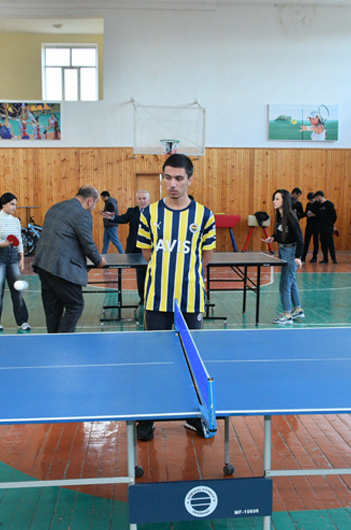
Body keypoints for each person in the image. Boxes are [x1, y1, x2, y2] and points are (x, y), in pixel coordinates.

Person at [135, 153, 216, 441]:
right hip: (156, 300)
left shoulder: (204, 215)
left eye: (179, 178)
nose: (172, 183)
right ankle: (148, 417)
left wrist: (185, 275)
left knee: (191, 361)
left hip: (191, 300)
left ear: (190, 179)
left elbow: (206, 256)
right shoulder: (149, 213)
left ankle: (193, 415)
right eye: (168, 177)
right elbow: (146, 253)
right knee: (154, 359)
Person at [33, 186, 106, 333]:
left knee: (53, 309)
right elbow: (87, 243)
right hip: (62, 268)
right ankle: (64, 341)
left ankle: (54, 341)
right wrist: (99, 260)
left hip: (43, 264)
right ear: (90, 201)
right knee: (75, 305)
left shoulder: (56, 207)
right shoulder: (83, 214)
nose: (94, 207)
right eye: (95, 203)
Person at [0, 192, 30, 333]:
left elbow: (19, 240)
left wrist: (21, 258)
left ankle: (22, 321)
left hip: (13, 258)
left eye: (15, 205)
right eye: (12, 204)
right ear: (3, 204)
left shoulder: (16, 221)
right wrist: (2, 244)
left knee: (18, 290)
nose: (14, 207)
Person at [102, 190, 150, 304]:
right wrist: (113, 217)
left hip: (150, 248)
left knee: (152, 274)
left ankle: (152, 298)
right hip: (136, 248)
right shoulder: (132, 211)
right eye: (139, 198)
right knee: (140, 273)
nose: (142, 201)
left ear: (148, 200)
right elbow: (122, 219)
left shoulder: (155, 211)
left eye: (144, 198)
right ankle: (143, 298)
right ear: (136, 200)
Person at [264, 189, 304, 325]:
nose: (274, 201)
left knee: (284, 284)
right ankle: (298, 309)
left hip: (291, 253)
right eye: (274, 199)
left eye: (277, 199)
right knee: (291, 282)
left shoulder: (291, 217)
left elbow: (300, 239)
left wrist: (298, 257)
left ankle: (287, 315)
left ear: (284, 201)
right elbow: (281, 233)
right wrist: (273, 238)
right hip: (283, 250)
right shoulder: (279, 217)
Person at [314, 190, 338, 264]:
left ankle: (334, 259)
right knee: (323, 242)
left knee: (330, 242)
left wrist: (331, 225)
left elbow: (334, 216)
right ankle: (325, 258)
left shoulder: (329, 204)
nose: (316, 200)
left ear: (319, 196)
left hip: (328, 227)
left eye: (316, 198)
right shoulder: (319, 206)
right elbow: (318, 216)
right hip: (321, 227)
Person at [303, 191, 320, 262]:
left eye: (311, 200)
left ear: (314, 198)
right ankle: (303, 256)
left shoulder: (318, 204)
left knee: (315, 241)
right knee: (306, 241)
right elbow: (305, 213)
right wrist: (307, 214)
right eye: (309, 200)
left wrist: (314, 215)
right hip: (309, 224)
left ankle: (314, 257)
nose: (310, 201)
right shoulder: (308, 204)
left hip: (316, 225)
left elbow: (320, 215)